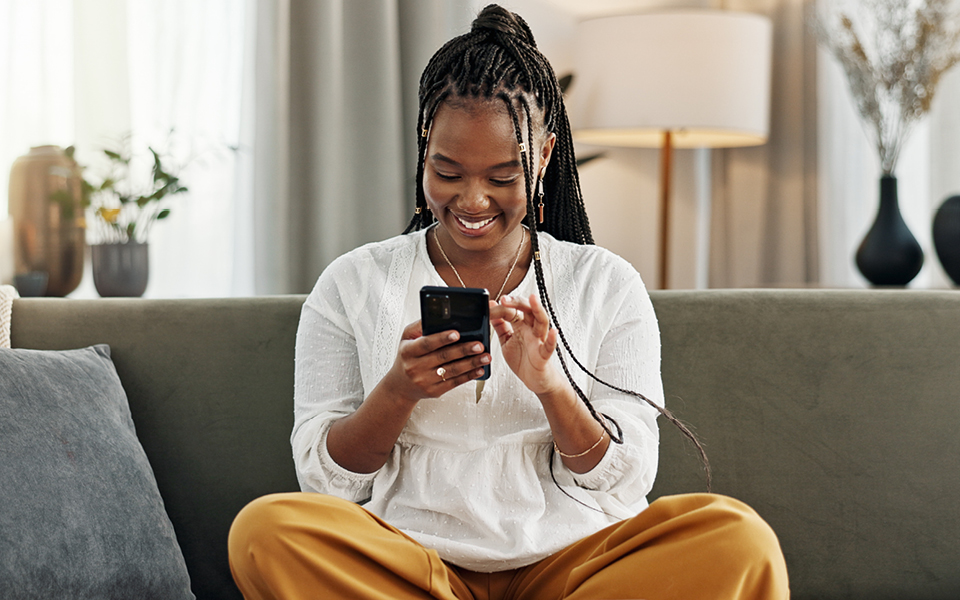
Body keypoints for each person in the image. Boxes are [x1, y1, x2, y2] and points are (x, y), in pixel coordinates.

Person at [228, 5, 789, 599]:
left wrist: (552, 386)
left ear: (543, 156)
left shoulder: (606, 283)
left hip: (572, 568)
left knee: (739, 540)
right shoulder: (353, 283)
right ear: (424, 147)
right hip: (413, 567)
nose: (472, 200)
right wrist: (398, 390)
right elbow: (327, 484)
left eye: (501, 176)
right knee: (266, 530)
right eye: (448, 171)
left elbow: (624, 484)